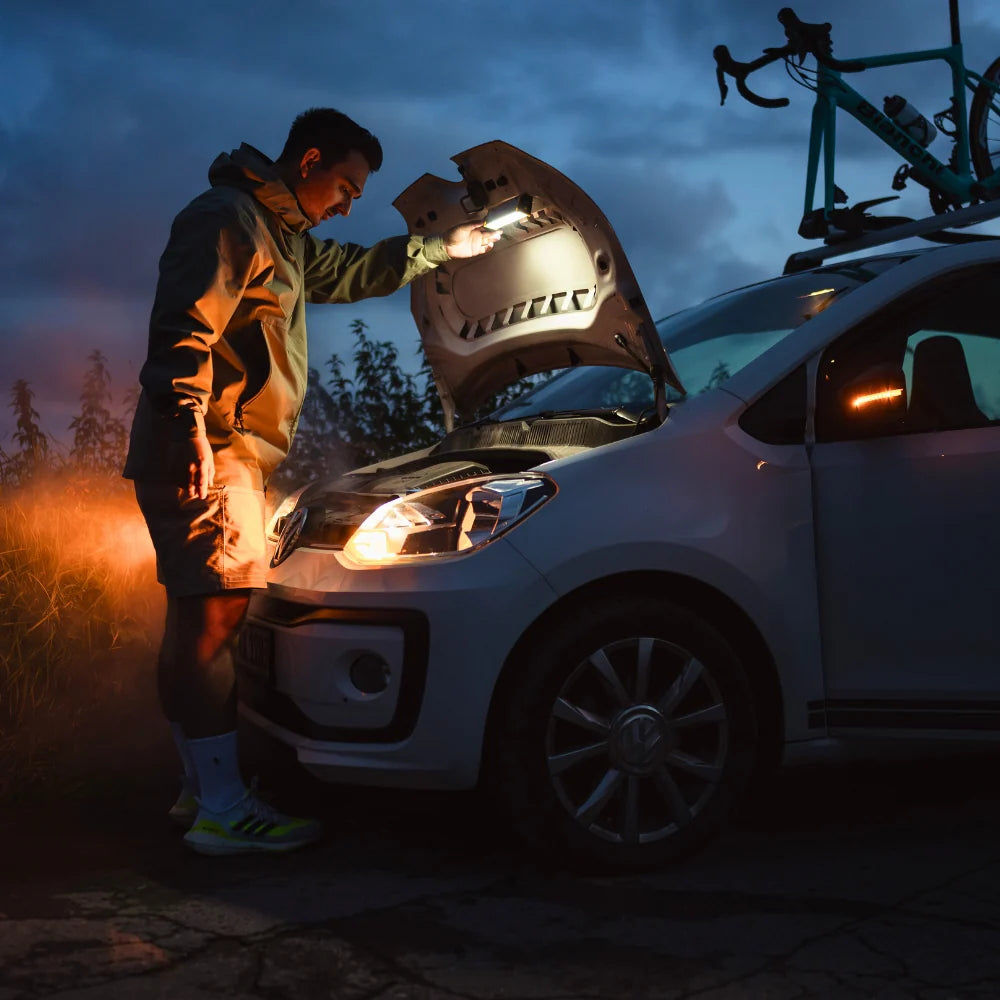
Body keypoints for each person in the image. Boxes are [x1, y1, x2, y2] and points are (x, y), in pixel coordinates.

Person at [123, 107, 500, 856]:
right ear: (310, 161)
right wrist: (187, 422)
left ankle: (201, 792)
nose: (349, 205)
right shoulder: (229, 218)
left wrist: (440, 248)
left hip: (215, 447)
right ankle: (224, 811)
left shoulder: (282, 236)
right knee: (213, 627)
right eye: (347, 187)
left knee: (195, 626)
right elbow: (184, 326)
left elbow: (354, 271)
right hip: (210, 448)